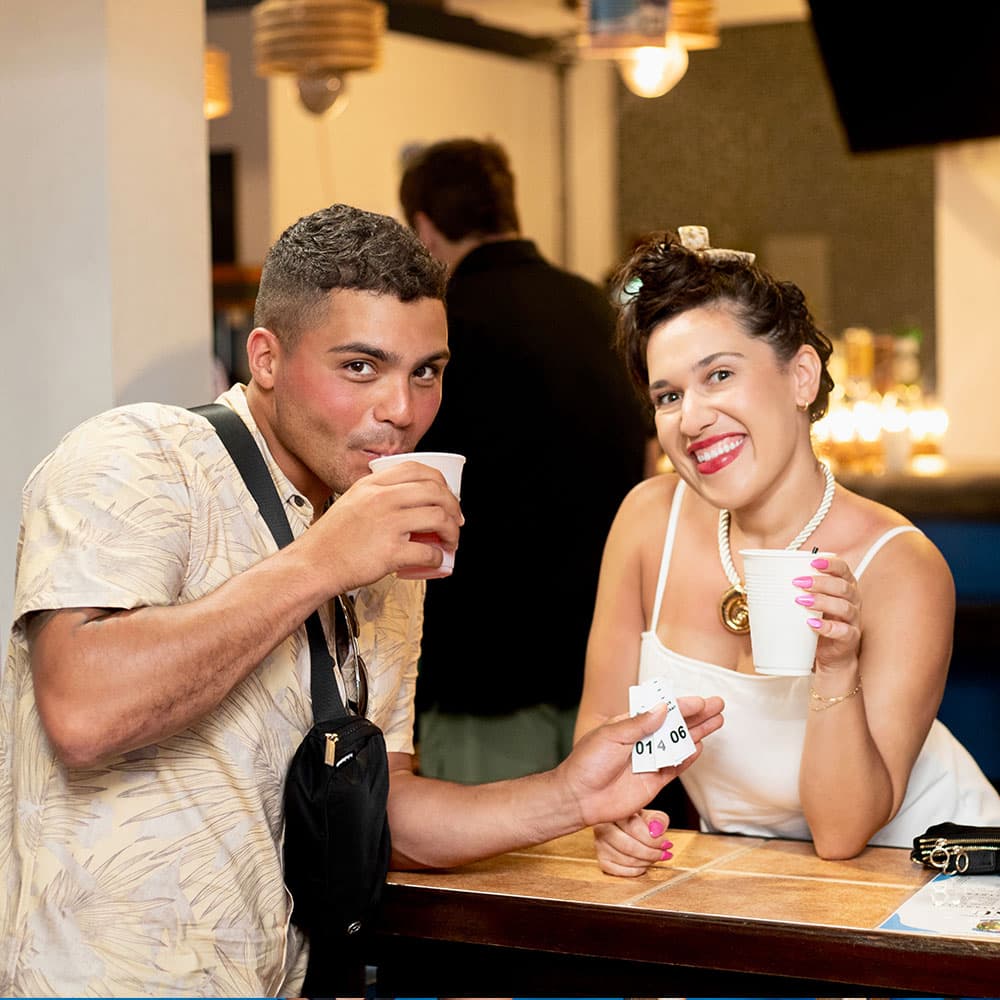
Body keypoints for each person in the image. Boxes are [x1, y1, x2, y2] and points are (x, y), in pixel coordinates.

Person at [0, 204, 724, 996]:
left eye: (427, 371)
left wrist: (567, 795)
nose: (402, 411)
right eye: (359, 367)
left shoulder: (379, 538)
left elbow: (385, 813)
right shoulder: (136, 459)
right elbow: (83, 712)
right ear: (267, 359)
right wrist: (323, 560)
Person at [574, 224, 1000, 876]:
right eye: (669, 396)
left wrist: (835, 667)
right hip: (758, 884)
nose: (691, 419)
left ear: (801, 376)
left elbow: (840, 833)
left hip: (926, 882)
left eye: (718, 375)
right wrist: (614, 814)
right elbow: (604, 730)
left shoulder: (901, 567)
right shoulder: (646, 522)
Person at [398, 137, 652, 784]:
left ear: (424, 228)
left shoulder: (440, 330)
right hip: (606, 652)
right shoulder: (598, 310)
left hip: (485, 667)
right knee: (604, 866)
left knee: (496, 875)